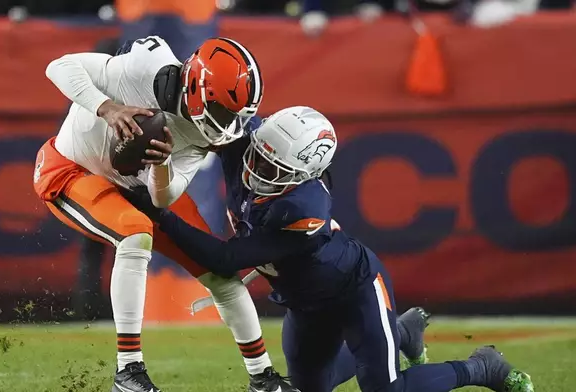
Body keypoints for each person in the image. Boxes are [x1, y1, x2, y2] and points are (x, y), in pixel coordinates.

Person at [119, 106, 535, 392]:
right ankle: (403, 331)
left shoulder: (303, 208)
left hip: (353, 291)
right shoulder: (252, 145)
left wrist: (160, 214)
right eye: (258, 157)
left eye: (272, 169)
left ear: (304, 173)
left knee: (386, 390)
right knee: (309, 388)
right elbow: (214, 122)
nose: (255, 170)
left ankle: (482, 366)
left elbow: (224, 260)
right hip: (304, 304)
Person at [32, 36, 295, 392]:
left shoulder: (203, 133)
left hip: (140, 188)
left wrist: (162, 163)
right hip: (72, 170)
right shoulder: (143, 68)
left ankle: (263, 378)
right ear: (198, 89)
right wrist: (107, 107)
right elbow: (59, 66)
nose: (229, 124)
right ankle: (128, 373)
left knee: (220, 270)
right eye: (224, 112)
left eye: (237, 116)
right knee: (135, 233)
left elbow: (163, 196)